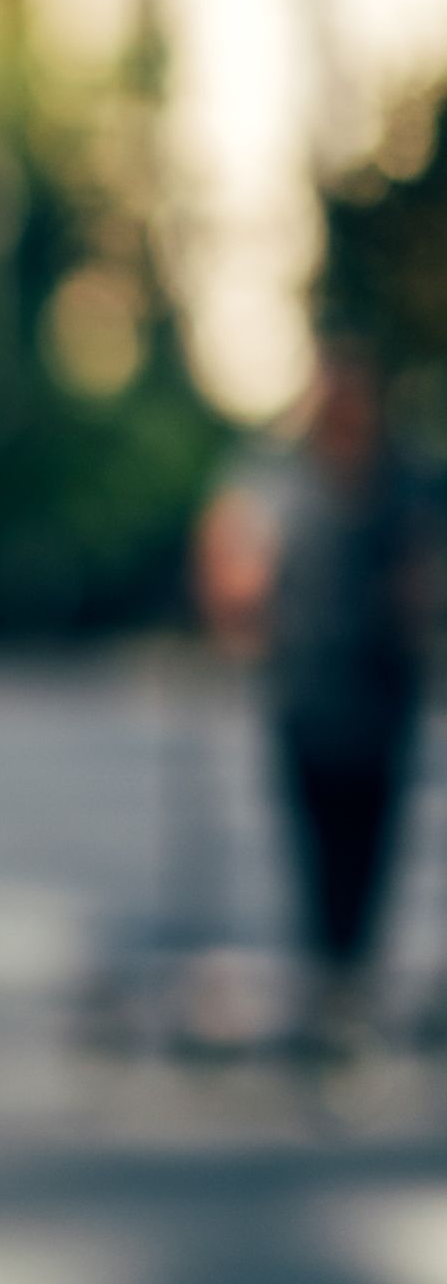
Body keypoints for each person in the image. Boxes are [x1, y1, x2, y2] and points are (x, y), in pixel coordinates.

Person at [192, 328, 436, 1050]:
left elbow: (421, 567)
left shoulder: (405, 475)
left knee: (374, 835)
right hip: (305, 688)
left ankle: (350, 977)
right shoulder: (278, 471)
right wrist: (234, 600)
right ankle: (328, 977)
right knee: (314, 830)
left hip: (383, 691)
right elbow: (231, 542)